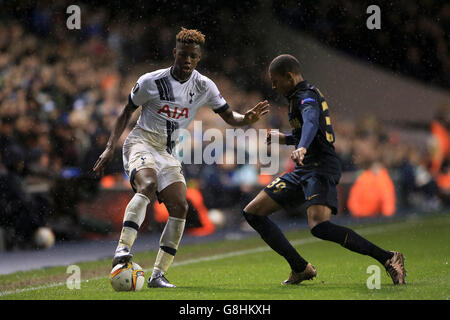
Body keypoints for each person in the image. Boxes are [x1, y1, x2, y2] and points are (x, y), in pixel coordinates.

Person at [93, 27, 269, 288]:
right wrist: (110, 148)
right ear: (175, 53)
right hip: (141, 142)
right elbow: (126, 111)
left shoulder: (205, 86)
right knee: (148, 185)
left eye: (192, 57)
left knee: (180, 207)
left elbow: (230, 116)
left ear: (198, 58)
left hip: (168, 152)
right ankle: (122, 250)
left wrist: (247, 119)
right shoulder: (151, 81)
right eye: (183, 54)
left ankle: (157, 275)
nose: (187, 60)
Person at [242, 54, 406, 286]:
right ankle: (299, 267)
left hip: (321, 167)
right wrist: (287, 139)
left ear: (289, 76)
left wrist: (302, 146)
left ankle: (389, 257)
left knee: (320, 227)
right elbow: (310, 130)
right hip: (304, 168)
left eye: (275, 80)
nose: (273, 86)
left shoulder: (306, 96)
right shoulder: (298, 96)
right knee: (253, 212)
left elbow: (310, 122)